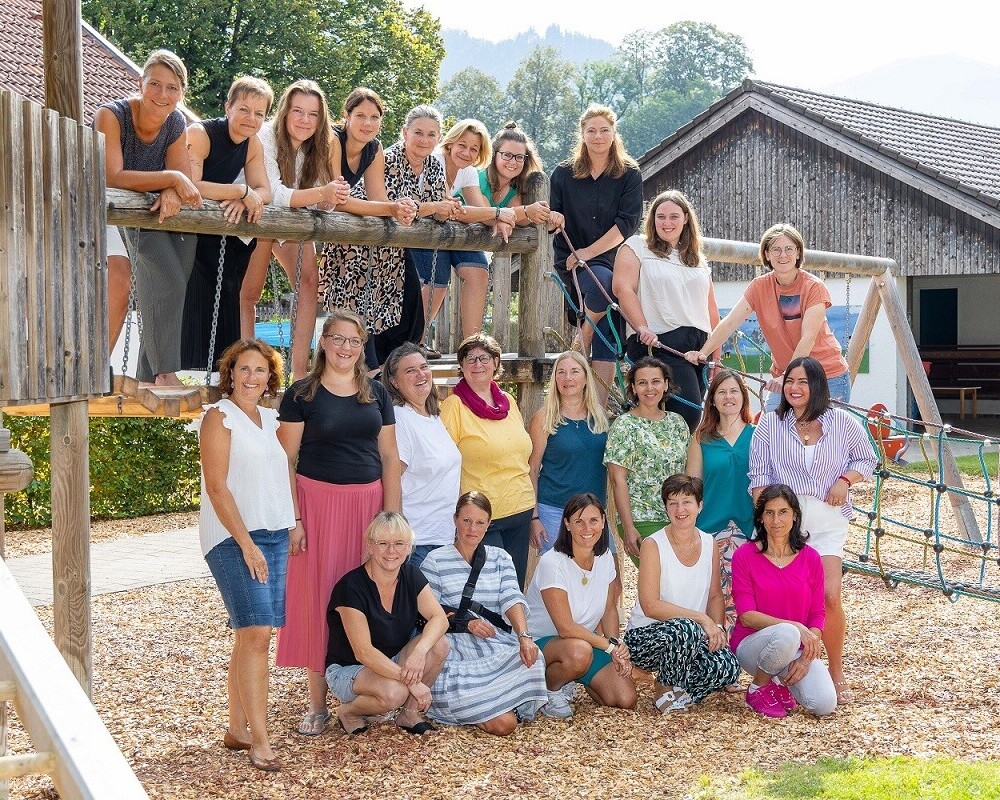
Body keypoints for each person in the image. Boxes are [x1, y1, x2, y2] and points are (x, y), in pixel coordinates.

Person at [276, 309, 402, 735]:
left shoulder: (377, 393)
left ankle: (370, 689)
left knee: (368, 596)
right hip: (316, 506)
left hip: (368, 507)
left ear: (362, 347)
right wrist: (294, 518)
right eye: (338, 339)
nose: (346, 348)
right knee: (318, 598)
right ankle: (316, 704)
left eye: (354, 341)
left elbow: (389, 457)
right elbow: (285, 461)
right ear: (324, 343)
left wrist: (393, 518)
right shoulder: (301, 394)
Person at [748, 356, 876, 705]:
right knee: (788, 597)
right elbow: (758, 478)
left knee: (830, 596)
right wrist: (768, 523)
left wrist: (845, 480)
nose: (794, 388)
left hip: (828, 521)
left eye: (803, 381)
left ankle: (835, 670)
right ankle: (789, 668)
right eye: (790, 381)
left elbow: (868, 459)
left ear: (817, 385)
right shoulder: (770, 425)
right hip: (785, 522)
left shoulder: (842, 422)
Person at [198, 338, 294, 771]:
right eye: (244, 369)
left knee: (251, 634)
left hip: (274, 534)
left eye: (260, 370)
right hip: (234, 538)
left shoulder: (271, 420)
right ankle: (261, 739)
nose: (251, 377)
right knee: (257, 635)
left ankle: (237, 729)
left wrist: (293, 524)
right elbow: (218, 488)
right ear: (230, 375)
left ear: (269, 377)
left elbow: (281, 476)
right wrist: (247, 544)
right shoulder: (219, 418)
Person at [320, 104, 459, 368]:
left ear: (439, 139)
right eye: (418, 132)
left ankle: (392, 374)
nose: (424, 140)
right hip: (360, 249)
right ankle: (363, 375)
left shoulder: (434, 166)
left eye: (431, 135)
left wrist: (446, 209)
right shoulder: (390, 157)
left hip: (392, 254)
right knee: (361, 320)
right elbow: (392, 206)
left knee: (406, 318)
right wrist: (432, 207)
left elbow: (434, 207)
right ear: (405, 132)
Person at [94, 48, 202, 383]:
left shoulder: (175, 122)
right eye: (155, 84)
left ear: (181, 93)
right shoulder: (111, 116)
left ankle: (147, 371)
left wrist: (172, 187)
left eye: (172, 88)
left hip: (141, 213)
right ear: (140, 83)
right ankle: (157, 371)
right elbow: (113, 175)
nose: (163, 94)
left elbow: (182, 179)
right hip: (99, 209)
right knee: (149, 278)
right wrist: (171, 180)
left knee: (181, 267)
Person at [238, 80, 352, 379]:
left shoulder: (320, 146)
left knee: (309, 282)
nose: (304, 120)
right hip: (253, 216)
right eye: (298, 112)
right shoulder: (265, 137)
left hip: (288, 219)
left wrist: (330, 199)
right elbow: (274, 193)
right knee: (249, 293)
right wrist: (321, 194)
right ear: (285, 112)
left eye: (312, 114)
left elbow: (316, 197)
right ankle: (244, 367)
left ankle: (298, 373)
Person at [685, 223, 851, 411]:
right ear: (766, 254)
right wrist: (704, 352)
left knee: (825, 437)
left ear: (798, 253)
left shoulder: (813, 287)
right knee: (770, 433)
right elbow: (730, 323)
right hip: (784, 376)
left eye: (789, 249)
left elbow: (808, 337)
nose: (783, 255)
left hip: (826, 376)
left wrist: (788, 377)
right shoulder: (759, 287)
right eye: (776, 249)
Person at [420, 492, 548, 734]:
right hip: (456, 648)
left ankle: (491, 702)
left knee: (533, 658)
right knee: (504, 725)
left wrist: (523, 636)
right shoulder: (434, 561)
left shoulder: (500, 557)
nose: (472, 529)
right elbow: (428, 612)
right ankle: (495, 703)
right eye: (466, 521)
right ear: (455, 519)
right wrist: (466, 623)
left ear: (489, 524)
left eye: (480, 522)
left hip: (495, 642)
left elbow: (511, 596)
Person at [549, 104, 643, 405]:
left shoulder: (629, 174)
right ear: (582, 134)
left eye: (604, 130)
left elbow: (626, 225)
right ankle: (580, 346)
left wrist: (587, 252)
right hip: (571, 261)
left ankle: (598, 408)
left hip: (612, 260)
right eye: (592, 130)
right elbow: (555, 214)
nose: (598, 136)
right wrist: (555, 218)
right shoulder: (563, 174)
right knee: (602, 286)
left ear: (614, 133)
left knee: (610, 327)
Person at [324, 512, 450, 735]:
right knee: (395, 693)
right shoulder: (351, 587)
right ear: (370, 545)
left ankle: (409, 714)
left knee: (439, 645)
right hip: (350, 669)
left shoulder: (411, 575)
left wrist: (420, 652)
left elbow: (439, 619)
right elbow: (364, 652)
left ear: (409, 546)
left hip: (392, 661)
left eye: (399, 543)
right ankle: (349, 711)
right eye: (383, 543)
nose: (392, 551)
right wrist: (411, 681)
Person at [623, 475, 740, 712]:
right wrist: (703, 620)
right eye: (672, 503)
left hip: (692, 637)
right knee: (684, 628)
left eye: (687, 501)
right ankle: (664, 688)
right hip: (648, 638)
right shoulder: (653, 545)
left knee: (728, 666)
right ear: (665, 508)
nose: (680, 509)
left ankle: (679, 686)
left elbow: (716, 596)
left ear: (700, 506)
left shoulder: (709, 544)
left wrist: (716, 628)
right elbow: (650, 606)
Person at [180, 76, 273, 375]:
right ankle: (187, 373)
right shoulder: (201, 133)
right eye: (244, 109)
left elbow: (265, 190)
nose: (251, 119)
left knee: (228, 299)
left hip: (223, 237)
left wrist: (249, 197)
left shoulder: (252, 143)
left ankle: (223, 375)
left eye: (259, 114)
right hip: (186, 232)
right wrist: (241, 192)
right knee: (194, 306)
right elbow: (190, 185)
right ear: (228, 107)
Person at [524, 494, 637, 718]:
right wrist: (608, 647)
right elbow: (565, 628)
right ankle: (549, 689)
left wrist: (615, 644)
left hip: (584, 642)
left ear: (603, 522)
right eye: (579, 521)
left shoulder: (604, 556)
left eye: (594, 521)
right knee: (579, 653)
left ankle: (574, 675)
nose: (587, 528)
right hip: (541, 644)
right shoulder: (552, 562)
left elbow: (608, 609)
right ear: (566, 524)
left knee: (625, 699)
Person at [613, 190, 718, 430]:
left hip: (699, 349)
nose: (667, 223)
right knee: (687, 414)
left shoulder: (697, 260)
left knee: (689, 420)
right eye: (660, 216)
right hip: (660, 343)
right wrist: (642, 327)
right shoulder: (638, 246)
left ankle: (674, 467)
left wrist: (716, 354)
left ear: (685, 219)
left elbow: (710, 307)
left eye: (673, 216)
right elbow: (623, 288)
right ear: (652, 220)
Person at [731, 485, 836, 718]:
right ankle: (758, 688)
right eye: (769, 512)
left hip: (795, 647)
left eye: (783, 512)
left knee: (824, 704)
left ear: (795, 515)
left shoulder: (810, 558)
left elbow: (818, 615)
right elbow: (746, 615)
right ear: (760, 517)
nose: (776, 520)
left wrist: (808, 655)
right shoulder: (745, 556)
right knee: (787, 633)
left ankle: (779, 683)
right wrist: (797, 628)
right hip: (754, 645)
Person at [440, 333, 534, 588]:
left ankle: (515, 631)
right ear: (461, 366)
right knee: (489, 590)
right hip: (481, 517)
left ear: (495, 363)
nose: (477, 365)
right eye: (470, 359)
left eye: (484, 358)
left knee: (514, 589)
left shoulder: (509, 402)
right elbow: (443, 464)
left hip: (520, 509)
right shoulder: (454, 406)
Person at [415, 119, 517, 352]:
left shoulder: (468, 172)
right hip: (422, 229)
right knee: (438, 282)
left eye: (474, 149)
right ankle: (415, 341)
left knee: (478, 270)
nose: (467, 153)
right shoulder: (435, 162)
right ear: (450, 143)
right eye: (462, 145)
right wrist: (497, 212)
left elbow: (478, 209)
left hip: (448, 232)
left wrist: (499, 218)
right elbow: (453, 211)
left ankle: (471, 346)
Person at [686, 369, 755, 633]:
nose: (728, 397)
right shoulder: (702, 438)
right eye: (721, 392)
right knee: (713, 595)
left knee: (744, 597)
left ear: (743, 398)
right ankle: (718, 652)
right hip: (711, 527)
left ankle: (743, 651)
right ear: (712, 399)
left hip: (748, 527)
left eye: (734, 391)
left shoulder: (757, 434)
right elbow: (693, 486)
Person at [383, 342, 461, 568]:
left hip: (444, 538)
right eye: (410, 370)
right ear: (394, 382)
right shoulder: (401, 418)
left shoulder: (433, 416)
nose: (421, 374)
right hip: (419, 542)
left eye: (424, 367)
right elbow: (392, 477)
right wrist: (396, 535)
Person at [604, 357, 689, 563]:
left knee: (673, 585)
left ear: (665, 384)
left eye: (656, 381)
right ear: (633, 387)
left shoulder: (677, 423)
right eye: (642, 382)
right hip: (642, 518)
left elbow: (686, 472)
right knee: (659, 581)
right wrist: (629, 526)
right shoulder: (624, 425)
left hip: (676, 516)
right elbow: (618, 480)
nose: (649, 388)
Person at [528, 350, 609, 553]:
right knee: (558, 577)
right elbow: (531, 469)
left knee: (606, 578)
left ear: (585, 377)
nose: (568, 378)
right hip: (555, 511)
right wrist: (534, 517)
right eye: (561, 372)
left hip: (594, 513)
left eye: (574, 371)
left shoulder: (599, 417)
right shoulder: (544, 418)